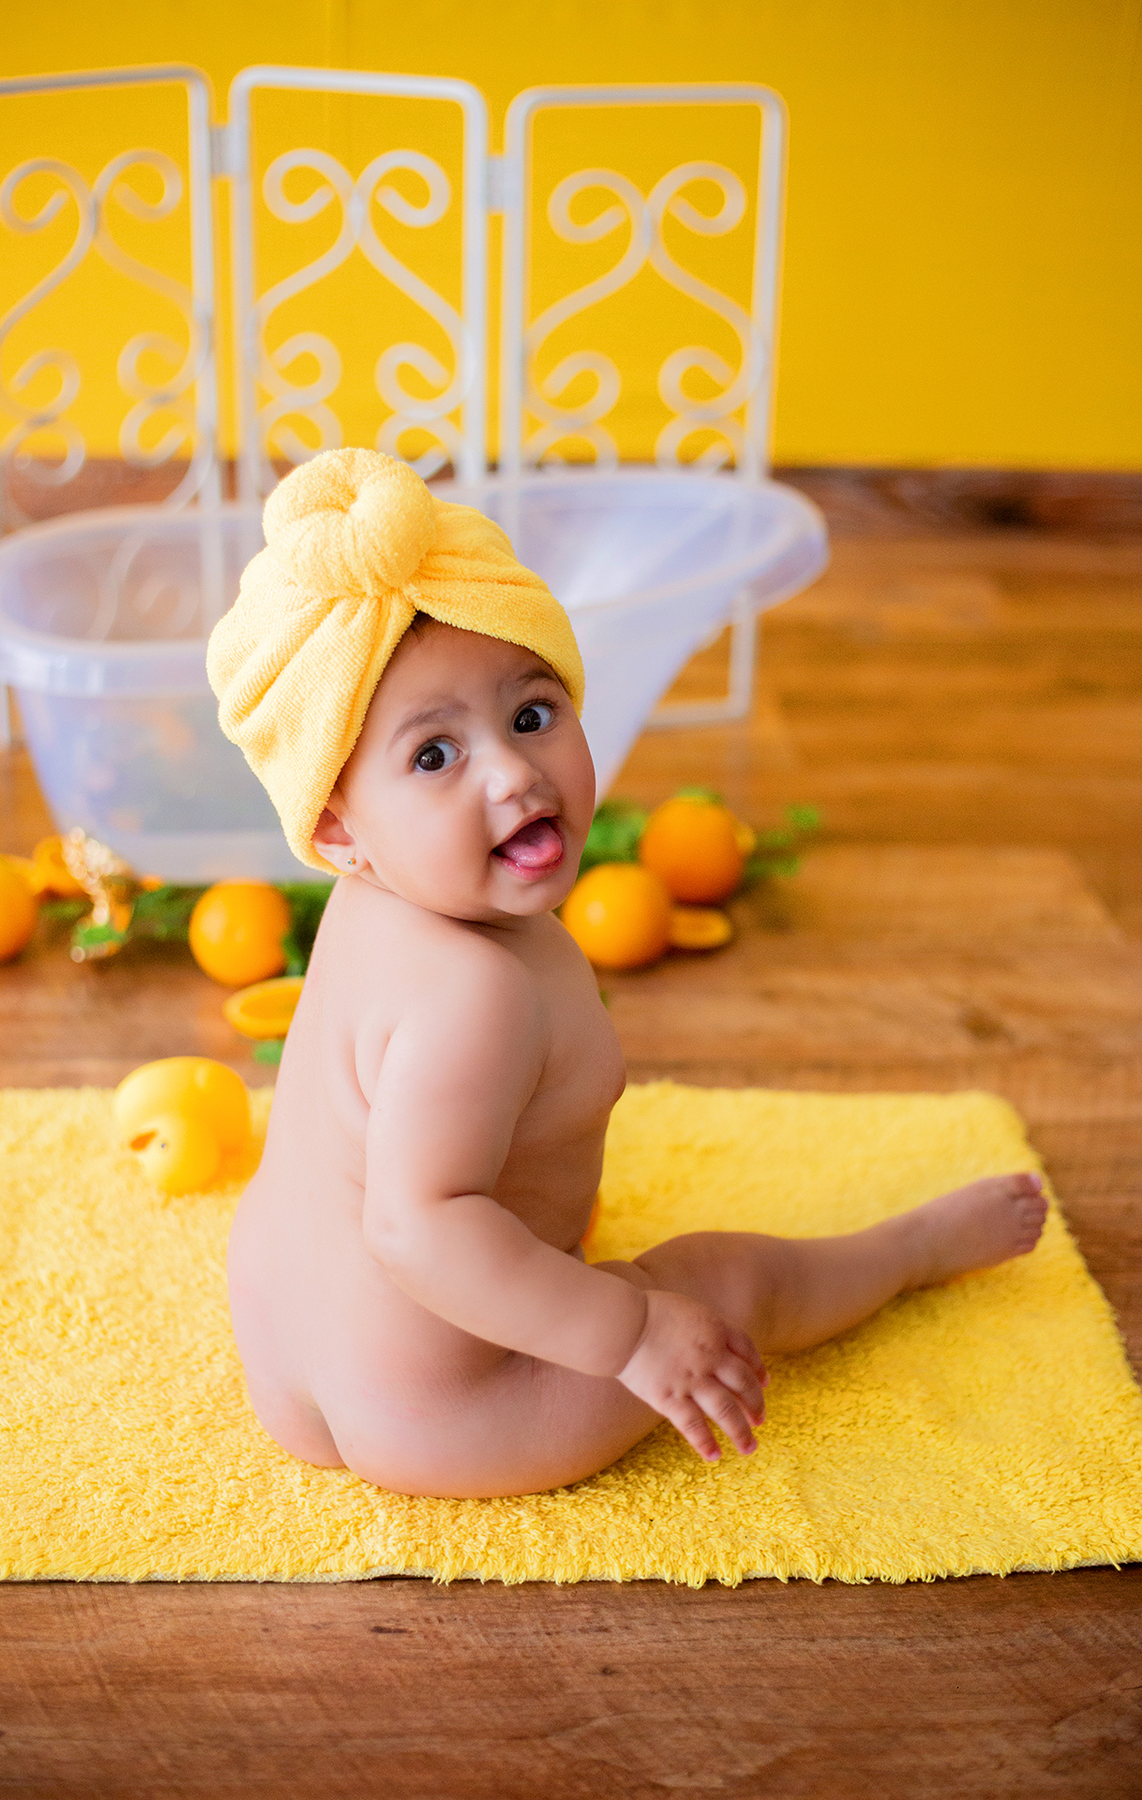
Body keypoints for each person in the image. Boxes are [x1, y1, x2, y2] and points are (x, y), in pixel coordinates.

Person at [208, 448, 1047, 1500]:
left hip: (294, 1355)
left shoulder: (370, 895)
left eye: (531, 714)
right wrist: (631, 1331)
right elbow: (416, 1227)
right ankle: (910, 1250)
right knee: (720, 1279)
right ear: (337, 826)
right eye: (435, 755)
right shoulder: (475, 996)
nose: (513, 773)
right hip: (445, 1409)